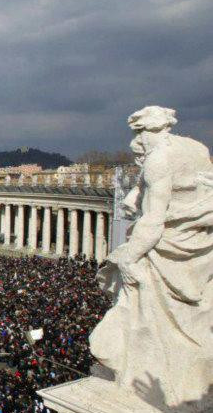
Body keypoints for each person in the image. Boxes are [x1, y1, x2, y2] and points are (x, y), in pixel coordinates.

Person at [90, 106, 213, 408]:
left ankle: (153, 375)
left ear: (144, 133)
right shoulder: (196, 148)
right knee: (194, 315)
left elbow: (153, 221)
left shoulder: (158, 160)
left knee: (147, 317)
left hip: (165, 242)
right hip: (198, 239)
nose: (136, 143)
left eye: (138, 134)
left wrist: (127, 257)